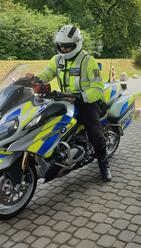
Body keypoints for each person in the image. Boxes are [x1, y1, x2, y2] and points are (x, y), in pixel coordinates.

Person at [26, 25, 112, 182]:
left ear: (77, 43)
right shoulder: (57, 59)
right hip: (64, 99)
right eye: (61, 46)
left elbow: (97, 88)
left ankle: (103, 163)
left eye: (67, 46)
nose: (64, 49)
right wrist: (35, 79)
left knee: (94, 132)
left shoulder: (88, 61)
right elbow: (47, 73)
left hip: (86, 101)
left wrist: (80, 97)